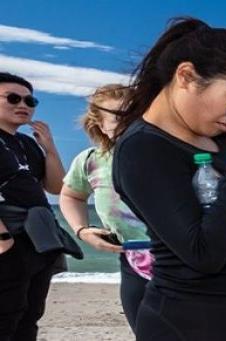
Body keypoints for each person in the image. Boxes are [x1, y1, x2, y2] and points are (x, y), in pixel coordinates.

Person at [110, 17, 226, 340]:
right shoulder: (143, 149)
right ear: (187, 76)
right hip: (192, 324)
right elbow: (204, 254)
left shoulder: (219, 139)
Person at [58, 84, 155, 333]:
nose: (130, 122)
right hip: (133, 258)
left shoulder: (168, 152)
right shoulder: (91, 160)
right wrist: (82, 230)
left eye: (137, 113)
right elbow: (71, 195)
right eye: (119, 117)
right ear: (100, 125)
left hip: (184, 258)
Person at [0, 70, 69, 340]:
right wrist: (2, 236)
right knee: (5, 315)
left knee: (30, 315)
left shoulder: (27, 143)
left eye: (30, 101)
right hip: (8, 236)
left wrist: (49, 147)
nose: (23, 105)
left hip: (37, 240)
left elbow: (56, 187)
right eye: (13, 98)